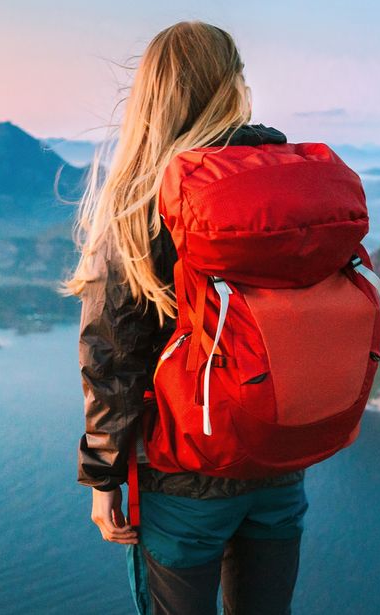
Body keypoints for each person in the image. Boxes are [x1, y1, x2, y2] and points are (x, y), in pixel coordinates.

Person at [66, 20, 307, 615]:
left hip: (185, 476)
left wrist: (103, 475)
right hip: (278, 461)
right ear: (235, 85)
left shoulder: (143, 198)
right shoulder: (283, 184)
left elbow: (112, 351)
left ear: (151, 93)